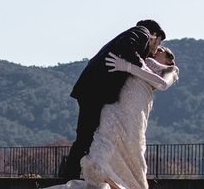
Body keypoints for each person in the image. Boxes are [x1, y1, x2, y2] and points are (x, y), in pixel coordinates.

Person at [49, 46, 179, 189]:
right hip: (114, 108)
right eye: (156, 49)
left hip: (134, 114)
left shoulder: (170, 70)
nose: (156, 51)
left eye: (160, 51)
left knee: (131, 154)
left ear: (168, 59)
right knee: (99, 156)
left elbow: (162, 83)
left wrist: (129, 67)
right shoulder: (139, 60)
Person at [60, 20, 167, 180]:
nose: (156, 48)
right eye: (158, 43)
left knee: (88, 135)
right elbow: (127, 44)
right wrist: (139, 66)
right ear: (154, 35)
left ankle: (74, 172)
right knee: (85, 136)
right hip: (94, 91)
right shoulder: (142, 32)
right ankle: (70, 175)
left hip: (93, 90)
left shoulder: (136, 36)